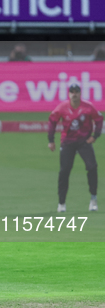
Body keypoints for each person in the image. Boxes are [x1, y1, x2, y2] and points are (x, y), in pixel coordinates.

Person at [48, 84, 102, 212]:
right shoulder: (62, 107)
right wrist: (51, 140)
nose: (74, 94)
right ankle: (61, 203)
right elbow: (52, 120)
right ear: (69, 94)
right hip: (68, 142)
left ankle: (93, 198)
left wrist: (95, 136)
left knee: (92, 167)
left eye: (76, 92)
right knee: (64, 171)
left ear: (80, 93)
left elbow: (99, 119)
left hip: (84, 142)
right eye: (72, 92)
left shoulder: (88, 107)